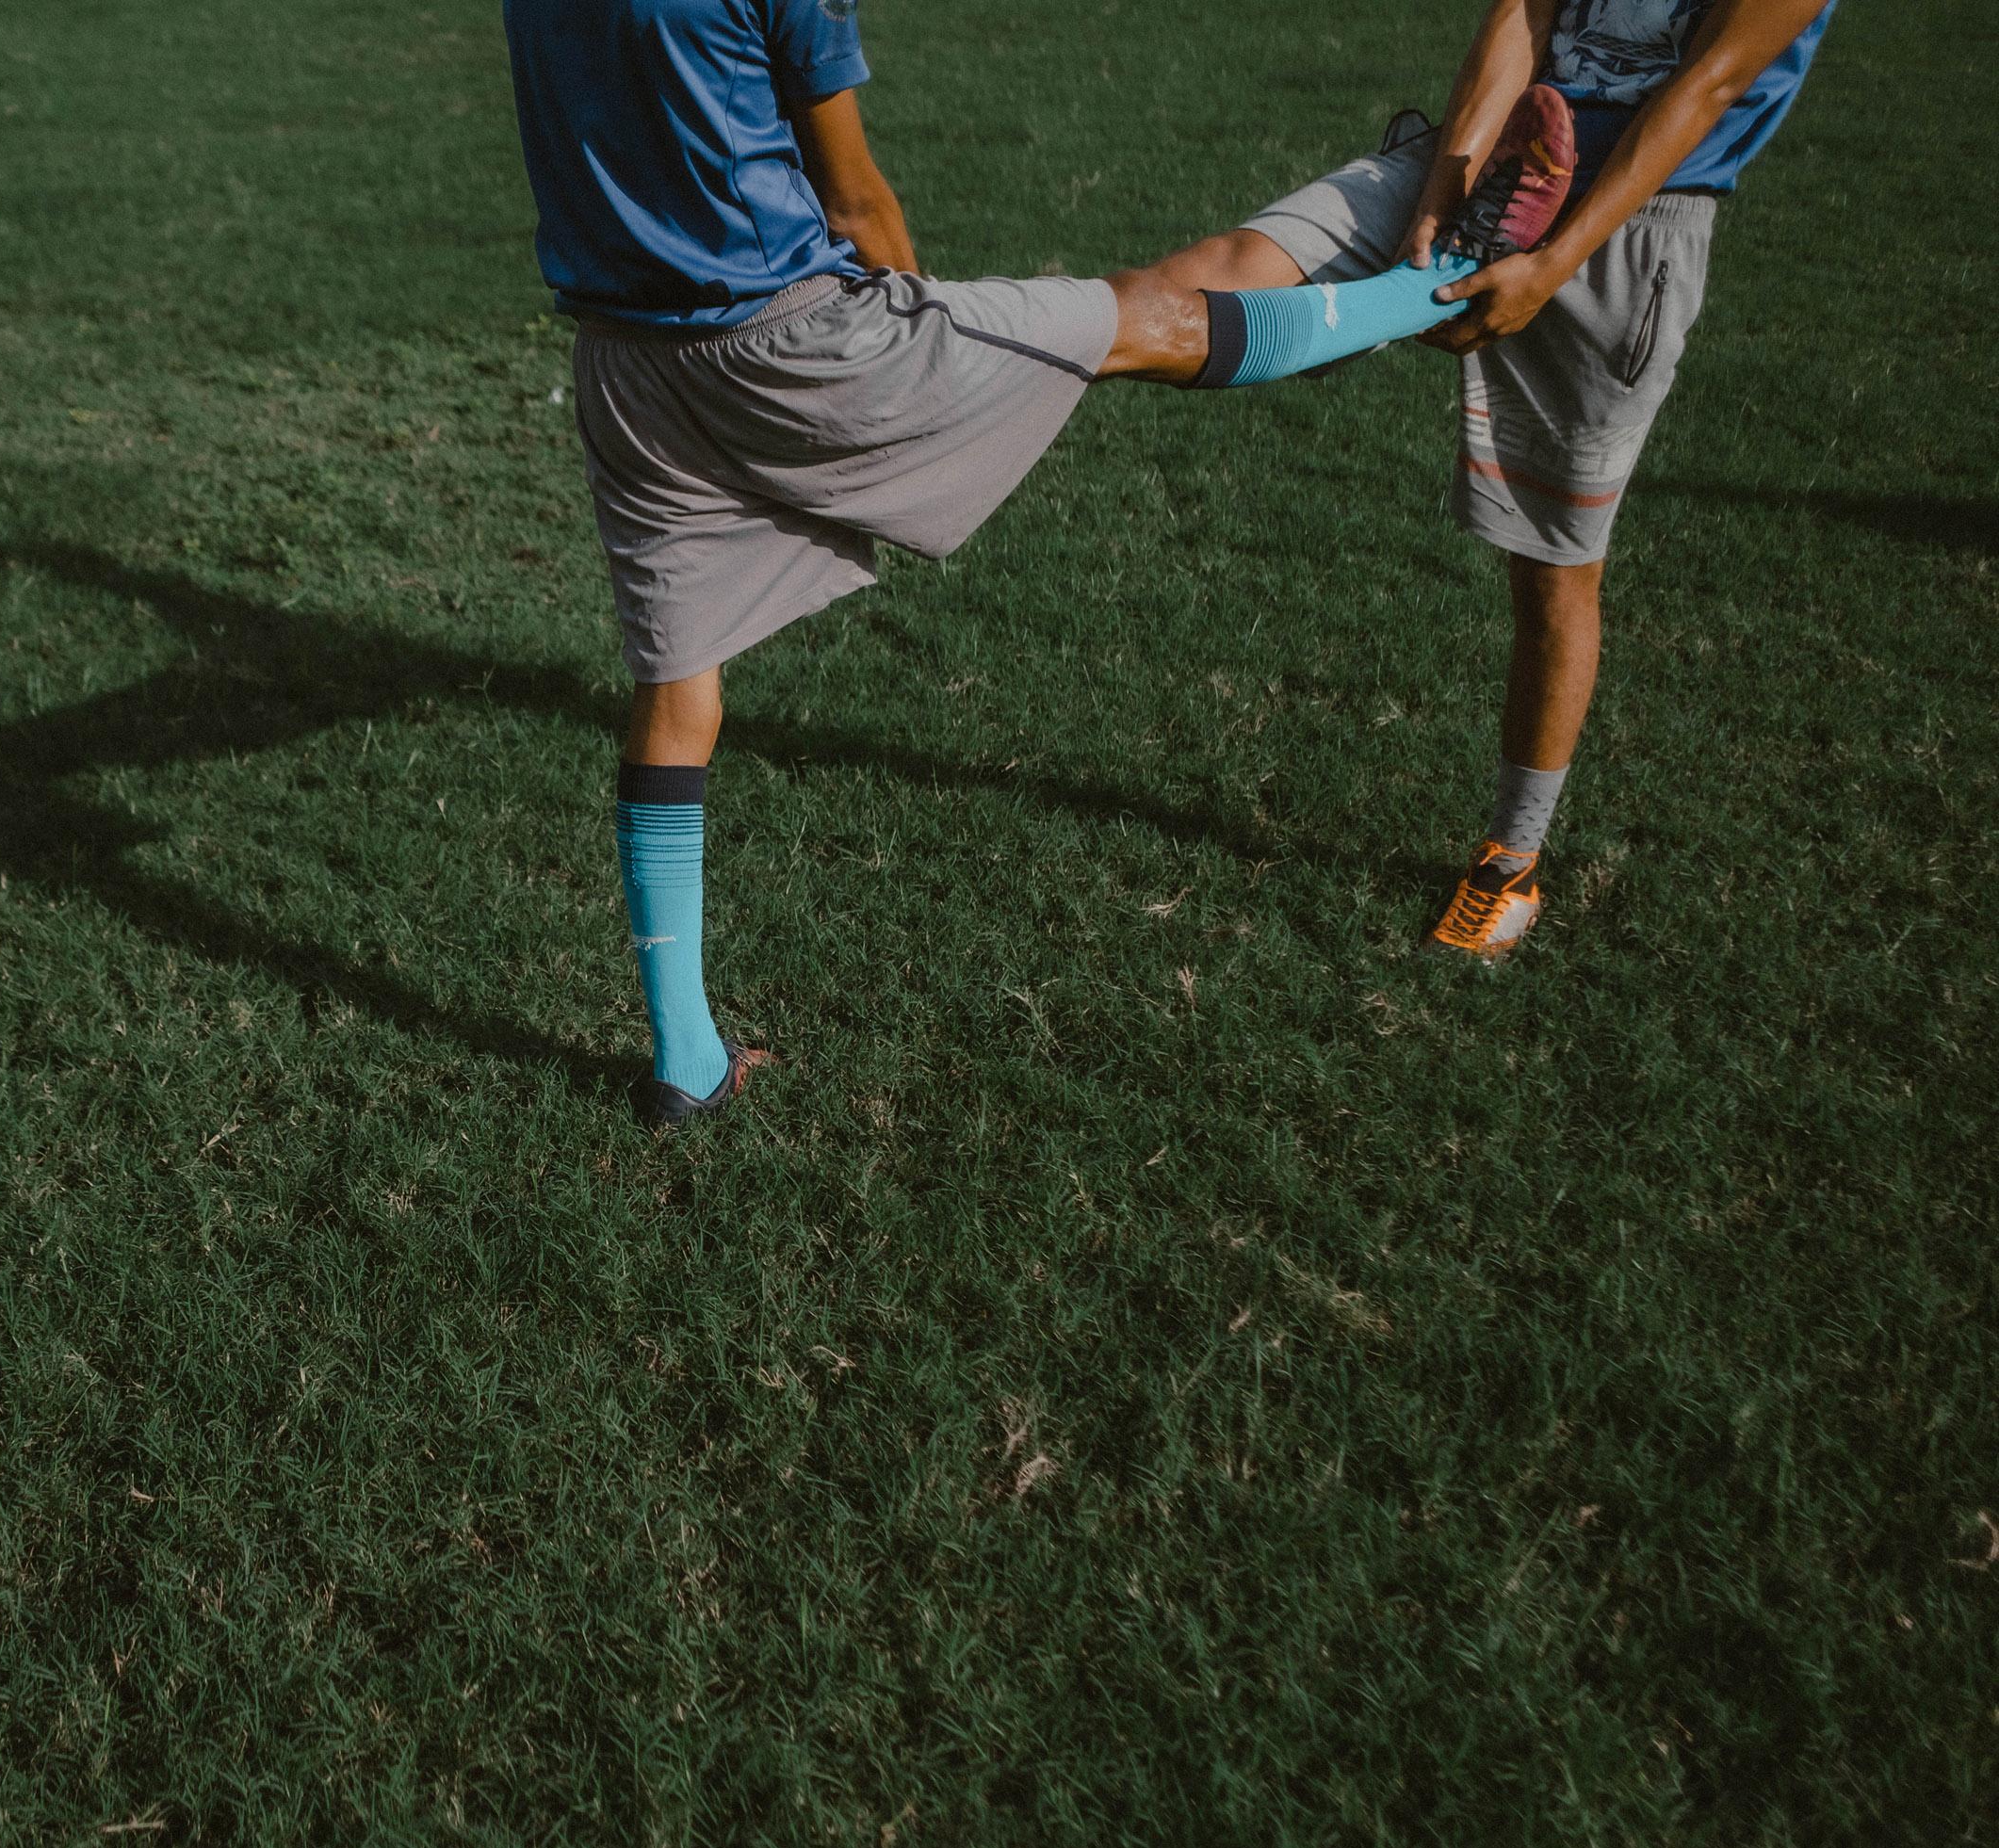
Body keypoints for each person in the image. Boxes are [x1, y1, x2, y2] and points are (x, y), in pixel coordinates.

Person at [502, 0, 1571, 1122]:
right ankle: (1444, 277)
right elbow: (856, 197)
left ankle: (685, 1062)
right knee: (1147, 320)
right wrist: (917, 331)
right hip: (798, 346)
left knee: (678, 680)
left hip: (625, 364)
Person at [1152, 0, 1839, 959]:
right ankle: (1022, 337)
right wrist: (1441, 187)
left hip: (1627, 227)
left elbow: (1711, 84)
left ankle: (1510, 863)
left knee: (1553, 564)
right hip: (1495, 160)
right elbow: (1525, 8)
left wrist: (1555, 262)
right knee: (1224, 276)